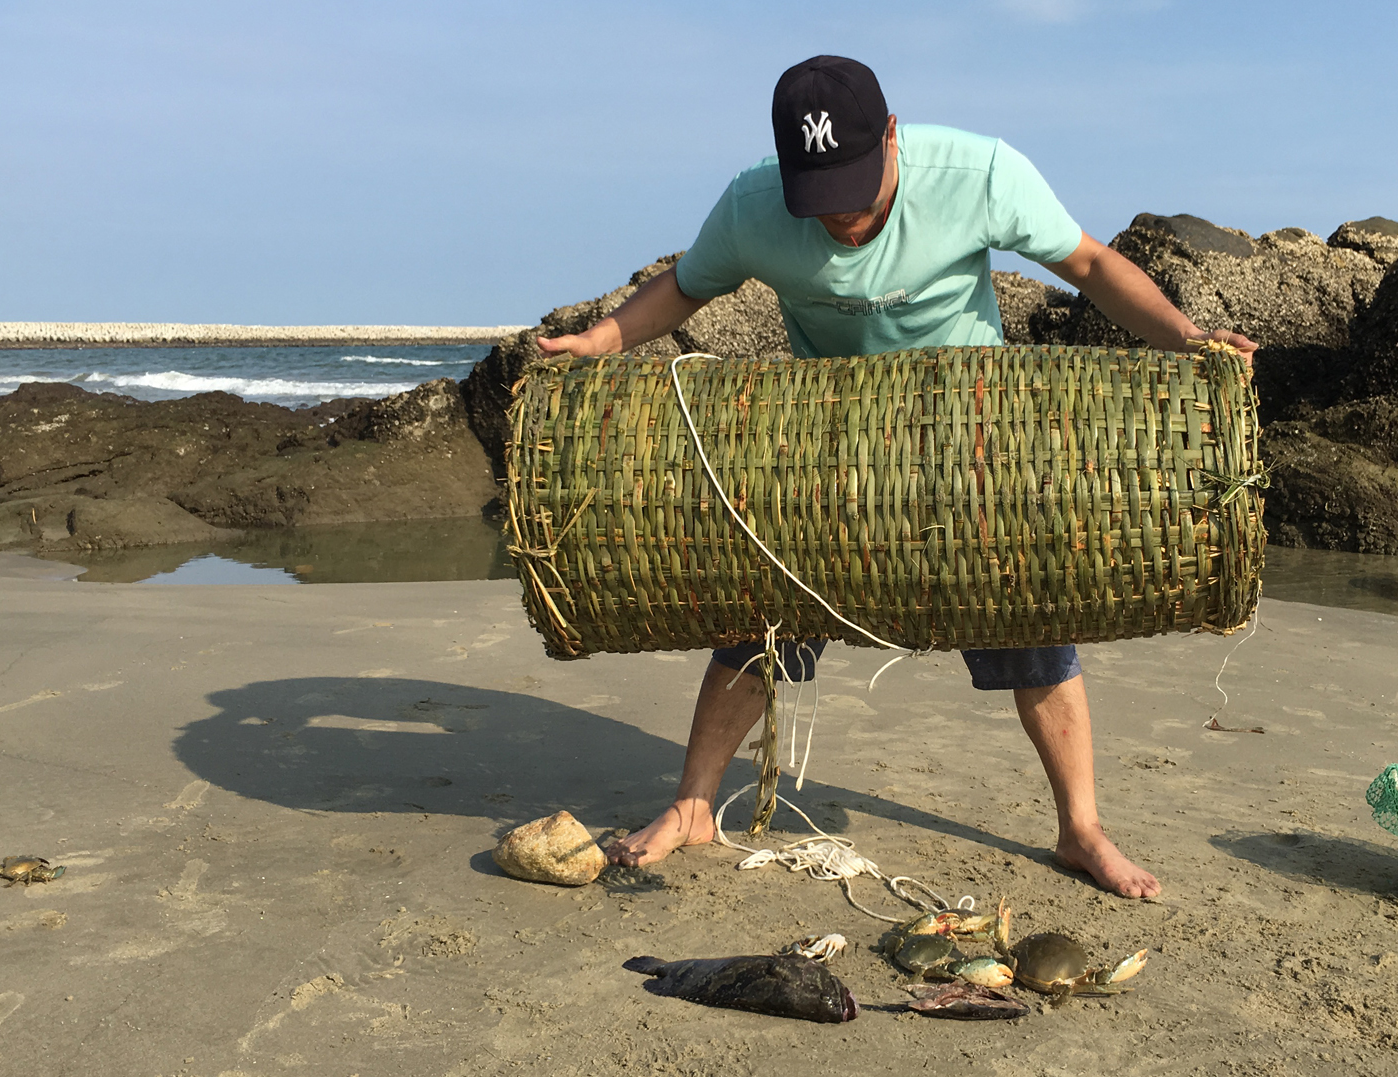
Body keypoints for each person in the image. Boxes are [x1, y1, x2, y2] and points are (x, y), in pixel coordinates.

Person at [538, 56, 1256, 899]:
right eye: (820, 198)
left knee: (1032, 617)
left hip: (974, 433)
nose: (841, 218)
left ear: (891, 138)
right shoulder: (752, 205)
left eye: (855, 191)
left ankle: (1081, 828)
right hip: (831, 441)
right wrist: (603, 340)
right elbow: (684, 288)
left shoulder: (978, 173)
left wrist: (1189, 339)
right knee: (762, 610)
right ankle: (693, 805)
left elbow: (1092, 266)